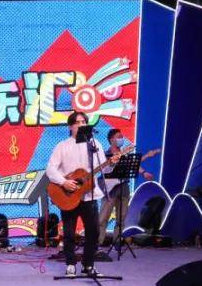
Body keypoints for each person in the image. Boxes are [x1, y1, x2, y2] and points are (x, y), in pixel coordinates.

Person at [46, 112, 116, 276]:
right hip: (68, 195)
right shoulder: (62, 146)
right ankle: (70, 264)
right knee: (69, 233)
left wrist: (111, 163)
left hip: (89, 196)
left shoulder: (94, 144)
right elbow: (50, 169)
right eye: (77, 122)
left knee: (93, 232)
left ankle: (88, 265)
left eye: (83, 122)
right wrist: (64, 182)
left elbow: (103, 168)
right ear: (70, 126)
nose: (81, 125)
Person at [97, 128, 153, 245]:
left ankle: (117, 242)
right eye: (119, 137)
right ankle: (98, 242)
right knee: (103, 218)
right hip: (110, 189)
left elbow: (133, 164)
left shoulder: (124, 154)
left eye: (122, 137)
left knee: (121, 218)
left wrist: (144, 173)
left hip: (123, 187)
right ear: (111, 139)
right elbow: (103, 170)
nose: (121, 139)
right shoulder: (104, 155)